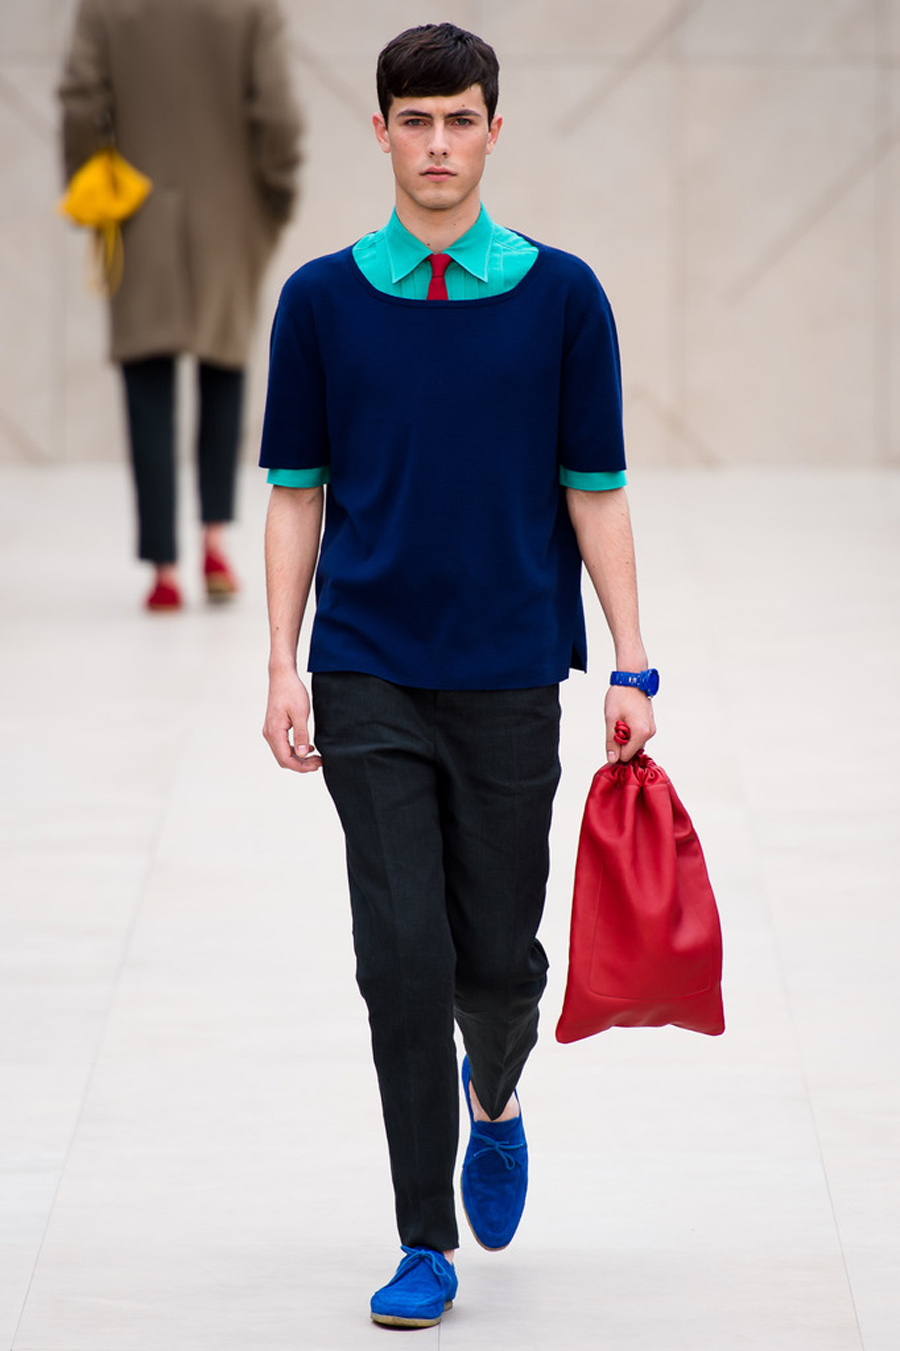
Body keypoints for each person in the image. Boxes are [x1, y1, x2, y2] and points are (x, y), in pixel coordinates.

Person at [260, 22, 656, 1329]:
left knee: (494, 961)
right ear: (380, 131)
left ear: (494, 129)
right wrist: (282, 661)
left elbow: (595, 490)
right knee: (401, 957)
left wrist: (634, 663)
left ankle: (497, 1087)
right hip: (366, 665)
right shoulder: (321, 301)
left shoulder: (563, 299)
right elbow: (296, 492)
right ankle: (422, 1236)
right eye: (416, 121)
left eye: (460, 120)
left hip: (508, 671)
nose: (438, 144)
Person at [58, 0, 302, 611]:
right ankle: (215, 542)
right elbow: (278, 112)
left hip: (134, 210)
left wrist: (91, 182)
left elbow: (81, 99)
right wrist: (274, 196)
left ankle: (164, 569)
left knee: (147, 381)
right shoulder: (251, 7)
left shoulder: (104, 6)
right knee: (225, 365)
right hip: (231, 212)